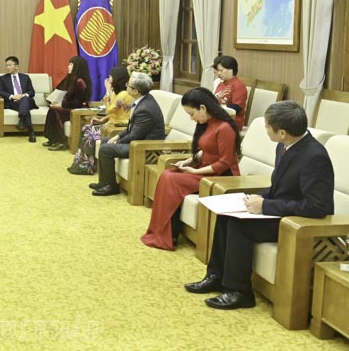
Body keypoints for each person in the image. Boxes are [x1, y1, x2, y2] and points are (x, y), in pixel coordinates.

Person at [184, 101, 334, 309]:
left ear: (282, 133)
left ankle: (240, 292)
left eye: (267, 127)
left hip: (298, 221)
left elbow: (317, 207)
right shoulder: (284, 145)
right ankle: (216, 276)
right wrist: (255, 198)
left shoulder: (315, 156)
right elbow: (280, 187)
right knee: (226, 215)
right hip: (281, 210)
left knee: (239, 225)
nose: (265, 130)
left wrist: (265, 206)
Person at [141, 87, 242, 249]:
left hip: (221, 176)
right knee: (167, 174)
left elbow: (224, 163)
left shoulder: (224, 128)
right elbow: (207, 150)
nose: (191, 118)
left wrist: (195, 171)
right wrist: (188, 161)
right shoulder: (207, 123)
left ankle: (170, 234)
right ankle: (165, 232)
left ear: (203, 107)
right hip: (205, 169)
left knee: (171, 179)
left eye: (192, 114)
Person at [91, 71, 165, 196]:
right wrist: (117, 136)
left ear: (135, 91)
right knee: (104, 142)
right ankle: (104, 182)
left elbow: (135, 135)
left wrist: (117, 142)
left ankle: (111, 186)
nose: (126, 87)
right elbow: (131, 128)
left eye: (128, 85)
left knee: (106, 149)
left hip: (144, 147)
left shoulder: (145, 109)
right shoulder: (142, 101)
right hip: (137, 141)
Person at [68, 66, 133, 175]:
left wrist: (107, 92)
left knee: (90, 132)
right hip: (111, 123)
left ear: (116, 78)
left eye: (110, 76)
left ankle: (87, 166)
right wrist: (102, 120)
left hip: (119, 127)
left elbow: (109, 110)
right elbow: (113, 113)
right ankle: (83, 163)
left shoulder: (124, 94)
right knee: (86, 127)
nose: (108, 79)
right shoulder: (116, 92)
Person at [43, 56, 92, 151]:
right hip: (69, 106)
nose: (68, 67)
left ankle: (62, 142)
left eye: (71, 65)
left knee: (56, 111)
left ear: (77, 67)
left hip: (77, 109)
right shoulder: (71, 79)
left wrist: (61, 105)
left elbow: (77, 102)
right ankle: (53, 138)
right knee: (52, 109)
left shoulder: (80, 82)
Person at [0, 56, 37, 143]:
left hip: (27, 101)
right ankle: (31, 131)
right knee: (25, 108)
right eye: (6, 65)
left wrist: (23, 95)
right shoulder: (3, 78)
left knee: (25, 99)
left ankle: (22, 120)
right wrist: (12, 96)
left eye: (9, 65)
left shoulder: (25, 77)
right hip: (13, 103)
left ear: (16, 66)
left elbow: (32, 92)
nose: (7, 67)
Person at [212, 55, 248, 128]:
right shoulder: (221, 84)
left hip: (231, 122)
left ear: (231, 69)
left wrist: (217, 107)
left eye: (221, 70)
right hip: (218, 118)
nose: (219, 73)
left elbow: (237, 107)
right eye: (218, 71)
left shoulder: (238, 85)